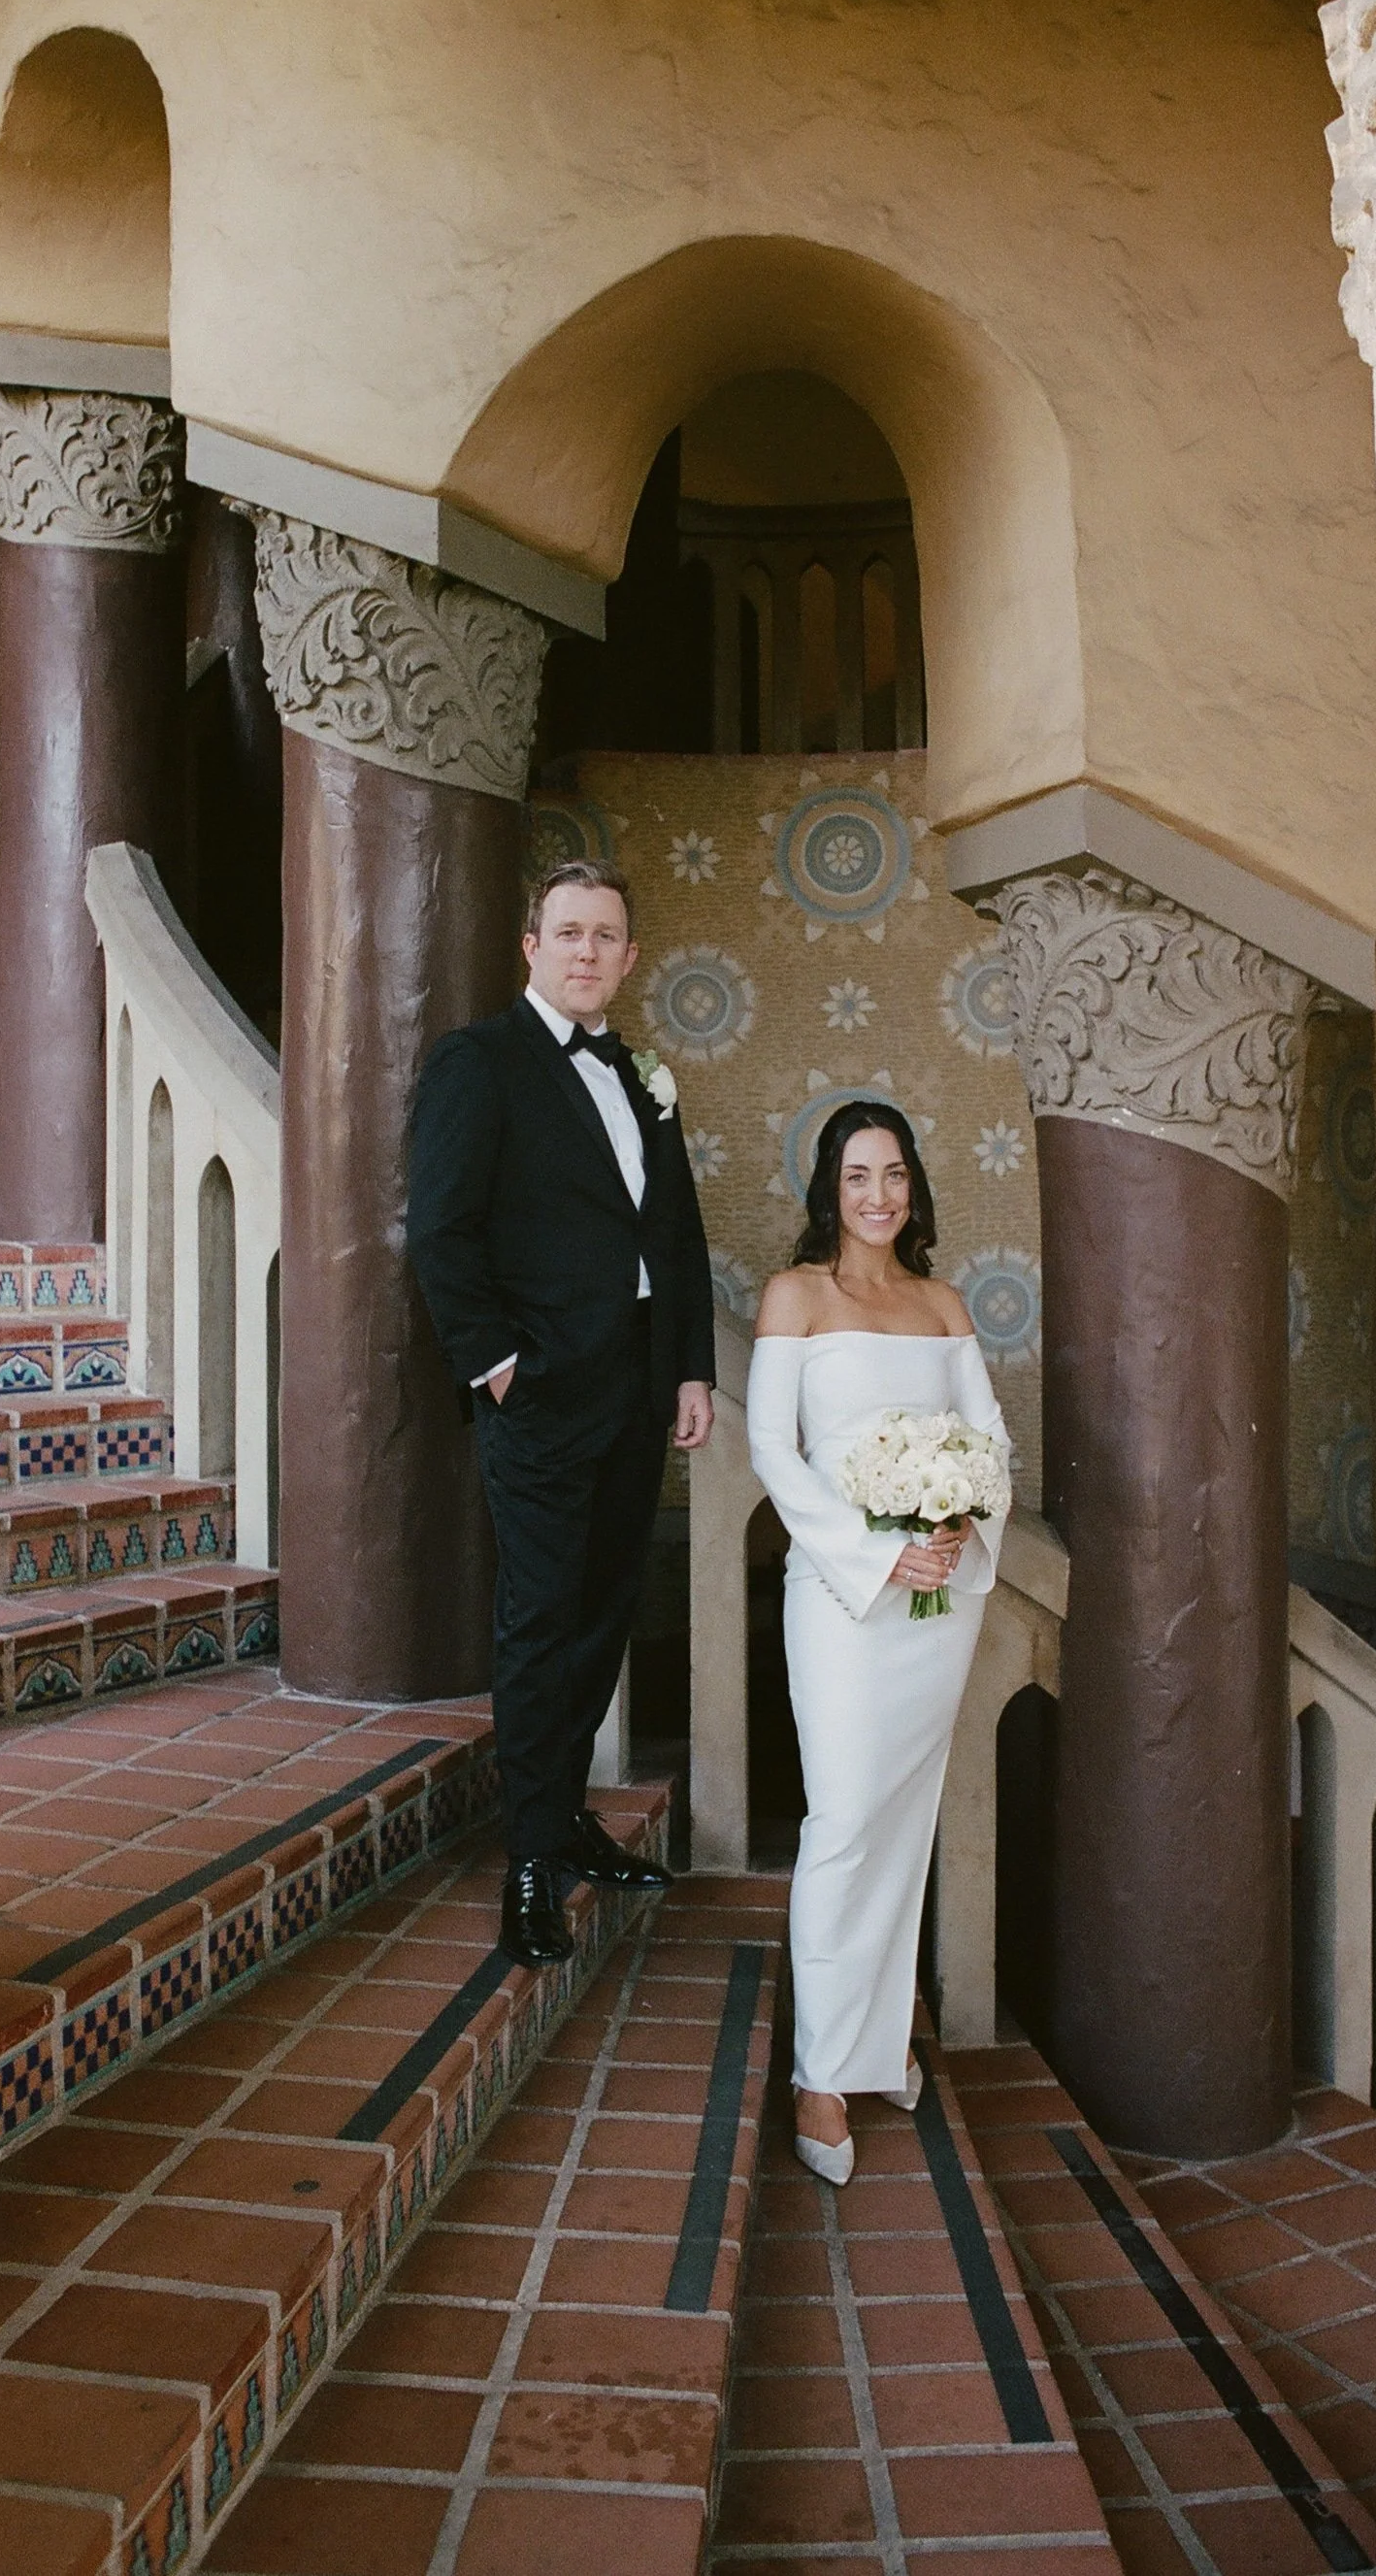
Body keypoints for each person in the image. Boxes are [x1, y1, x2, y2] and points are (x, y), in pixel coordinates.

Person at [407, 860, 716, 1967]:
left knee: (602, 1607)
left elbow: (672, 1233)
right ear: (530, 946)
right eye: (569, 931)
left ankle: (569, 1814)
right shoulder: (479, 1064)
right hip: (538, 1390)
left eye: (607, 936)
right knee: (539, 1618)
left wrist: (688, 1368)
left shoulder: (642, 1076)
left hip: (637, 1386)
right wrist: (496, 1364)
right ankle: (531, 1854)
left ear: (629, 959)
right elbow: (440, 1228)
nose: (587, 951)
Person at [747, 1101, 1010, 2185]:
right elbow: (774, 1448)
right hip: (846, 1595)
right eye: (858, 1175)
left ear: (915, 1185)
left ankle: (876, 2038)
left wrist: (954, 1518)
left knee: (907, 1818)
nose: (878, 1195)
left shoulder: (944, 1303)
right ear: (829, 1187)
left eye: (894, 1173)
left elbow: (989, 1437)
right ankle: (819, 2070)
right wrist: (873, 1551)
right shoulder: (796, 1297)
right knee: (847, 1817)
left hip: (938, 1602)